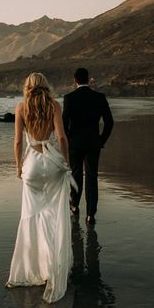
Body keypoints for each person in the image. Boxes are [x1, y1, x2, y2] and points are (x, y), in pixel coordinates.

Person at [6, 72, 76, 303]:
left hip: (33, 165)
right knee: (54, 214)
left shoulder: (21, 107)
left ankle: (36, 268)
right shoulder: (54, 105)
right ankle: (53, 266)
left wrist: (18, 167)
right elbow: (63, 138)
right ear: (45, 86)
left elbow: (17, 141)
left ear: (27, 87)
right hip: (53, 163)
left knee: (32, 217)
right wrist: (66, 162)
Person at [62, 68, 114, 225]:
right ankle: (91, 214)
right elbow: (109, 122)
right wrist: (101, 140)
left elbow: (64, 123)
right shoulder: (99, 97)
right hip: (93, 143)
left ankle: (74, 205)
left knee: (76, 174)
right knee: (92, 177)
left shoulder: (69, 98)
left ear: (75, 80)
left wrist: (69, 139)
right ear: (88, 79)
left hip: (75, 143)